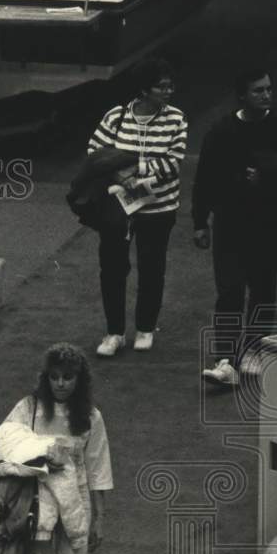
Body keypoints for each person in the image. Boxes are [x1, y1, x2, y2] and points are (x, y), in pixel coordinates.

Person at [0, 343, 112, 554]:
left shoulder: (90, 416)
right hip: (37, 507)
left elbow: (97, 468)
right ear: (46, 378)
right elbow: (3, 442)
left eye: (68, 378)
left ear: (79, 379)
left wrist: (100, 518)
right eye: (55, 377)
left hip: (77, 506)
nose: (61, 384)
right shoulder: (27, 409)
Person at [87, 57, 188, 356]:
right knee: (113, 269)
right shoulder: (116, 116)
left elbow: (172, 163)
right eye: (161, 87)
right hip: (118, 208)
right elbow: (95, 151)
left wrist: (134, 170)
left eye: (170, 86)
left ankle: (145, 328)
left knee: (152, 268)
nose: (168, 92)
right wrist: (119, 175)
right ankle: (114, 333)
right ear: (144, 90)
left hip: (159, 208)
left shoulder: (177, 119)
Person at [193, 68, 277, 386]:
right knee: (229, 291)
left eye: (269, 89)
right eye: (259, 90)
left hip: (269, 226)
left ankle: (256, 351)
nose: (267, 95)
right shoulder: (221, 131)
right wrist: (199, 221)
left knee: (262, 291)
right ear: (242, 95)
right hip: (230, 226)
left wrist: (267, 176)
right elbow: (204, 177)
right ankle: (225, 360)